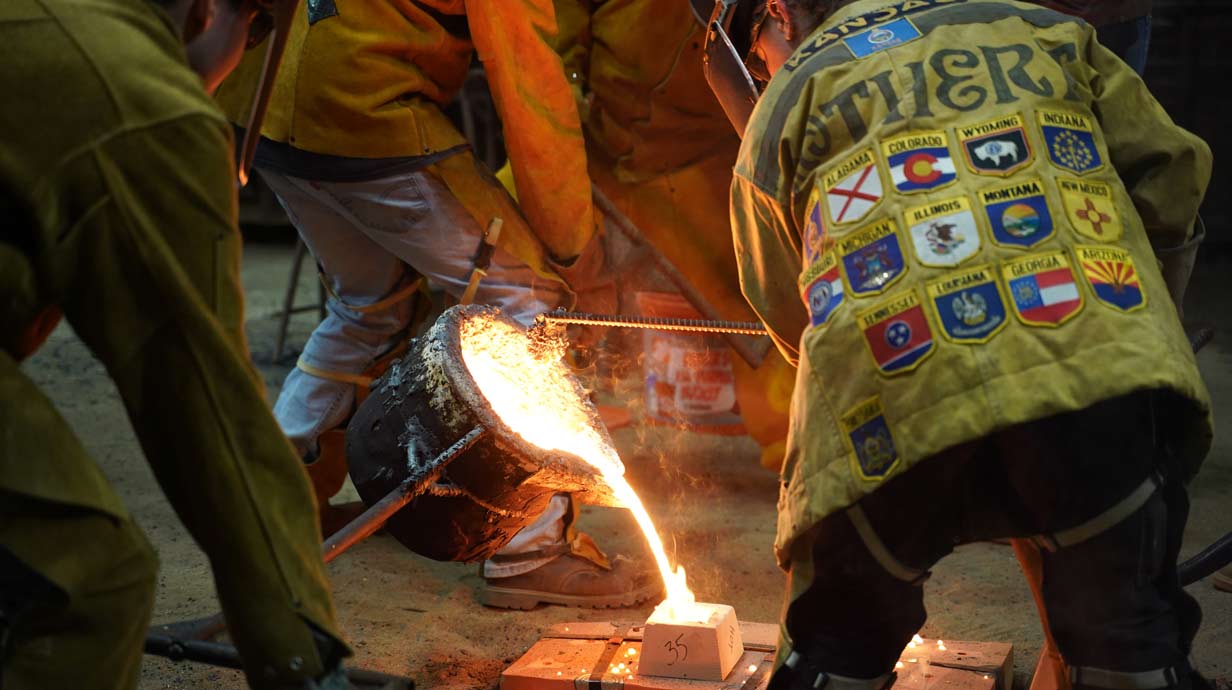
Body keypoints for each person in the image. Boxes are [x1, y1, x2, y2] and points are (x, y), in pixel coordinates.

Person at [707, 1, 1215, 689]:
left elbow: (782, 304)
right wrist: (1138, 326)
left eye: (757, 53)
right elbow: (1172, 170)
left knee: (837, 646)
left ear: (779, 15)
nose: (764, 73)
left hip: (891, 405)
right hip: (1094, 393)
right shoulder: (1038, 25)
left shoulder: (789, 94)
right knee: (1126, 647)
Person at [213, 0, 657, 610]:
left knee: (369, 306)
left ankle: (271, 513)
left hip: (263, 104)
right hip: (362, 109)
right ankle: (530, 553)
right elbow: (531, 91)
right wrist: (573, 248)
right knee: (533, 299)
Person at [0, 0, 353, 688]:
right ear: (212, 9)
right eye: (252, 40)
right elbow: (206, 406)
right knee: (88, 577)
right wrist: (302, 647)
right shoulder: (149, 101)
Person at [537, 0, 795, 471]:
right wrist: (562, 104)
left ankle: (798, 455)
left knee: (758, 301)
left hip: (701, 164)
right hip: (593, 146)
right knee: (515, 267)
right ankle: (529, 444)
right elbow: (554, 35)